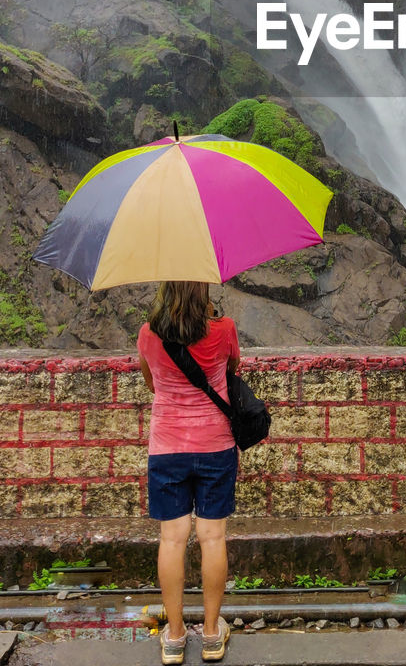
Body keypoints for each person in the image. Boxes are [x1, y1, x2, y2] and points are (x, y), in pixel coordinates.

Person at [138, 281, 240, 664]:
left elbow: (152, 384)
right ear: (203, 290)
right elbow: (231, 370)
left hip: (167, 449)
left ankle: (176, 638)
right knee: (212, 538)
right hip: (215, 445)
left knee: (172, 540)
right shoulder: (224, 329)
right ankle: (213, 635)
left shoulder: (148, 334)